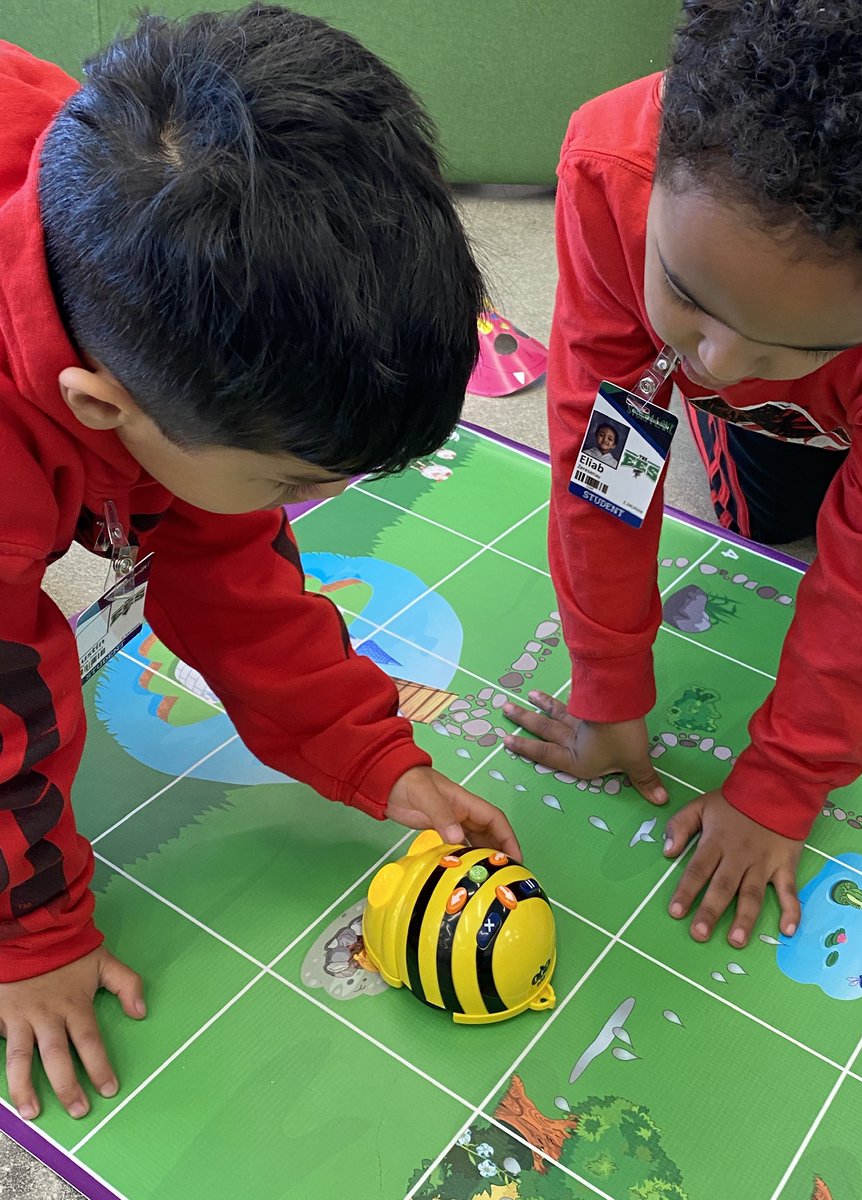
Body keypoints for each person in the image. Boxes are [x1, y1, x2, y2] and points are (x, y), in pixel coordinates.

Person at [0, 5, 519, 1123]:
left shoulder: (132, 230)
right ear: (102, 407)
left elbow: (231, 577)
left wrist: (373, 756)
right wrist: (29, 933)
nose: (308, 507)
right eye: (292, 482)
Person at [505, 0, 862, 950]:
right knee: (763, 521)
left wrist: (783, 784)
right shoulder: (613, 172)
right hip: (803, 417)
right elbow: (605, 465)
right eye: (688, 295)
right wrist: (608, 685)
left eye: (804, 343)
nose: (718, 365)